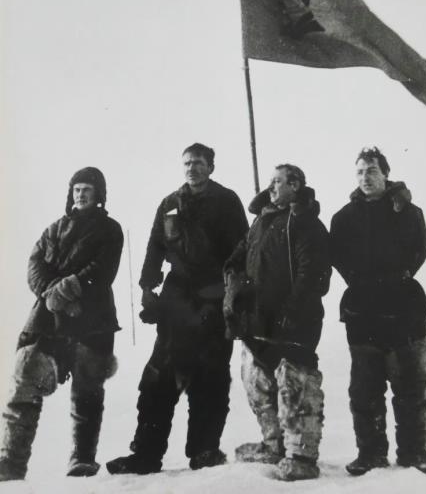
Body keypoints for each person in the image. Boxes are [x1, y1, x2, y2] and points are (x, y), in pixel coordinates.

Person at [107, 143, 248, 475]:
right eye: (187, 163)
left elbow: (242, 249)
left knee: (210, 378)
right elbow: (155, 246)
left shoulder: (226, 201)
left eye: (198, 163)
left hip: (213, 300)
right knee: (158, 378)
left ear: (210, 167)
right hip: (177, 302)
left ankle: (204, 451)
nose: (192, 168)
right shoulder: (170, 203)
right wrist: (147, 287)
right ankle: (146, 453)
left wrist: (234, 297)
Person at [0, 167, 124, 481]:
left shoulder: (110, 229)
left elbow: (103, 269)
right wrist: (53, 294)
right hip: (47, 319)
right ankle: (10, 462)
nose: (81, 195)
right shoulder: (54, 229)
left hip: (92, 318)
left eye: (87, 189)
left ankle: (82, 458)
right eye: (77, 189)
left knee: (87, 389)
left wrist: (66, 290)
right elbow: (34, 265)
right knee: (25, 379)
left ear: (99, 194)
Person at [330, 147, 426, 476]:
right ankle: (370, 453)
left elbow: (420, 248)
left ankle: (414, 451)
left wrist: (397, 277)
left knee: (411, 385)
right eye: (360, 171)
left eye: (372, 170)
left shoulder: (409, 212)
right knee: (364, 389)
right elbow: (338, 256)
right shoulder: (343, 218)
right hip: (362, 310)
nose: (365, 177)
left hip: (404, 307)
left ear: (386, 174)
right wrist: (362, 282)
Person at [223, 164, 331, 481]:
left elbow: (312, 273)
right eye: (270, 181)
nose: (271, 187)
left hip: (294, 321)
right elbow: (240, 255)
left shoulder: (305, 222)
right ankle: (275, 444)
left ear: (295, 185)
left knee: (295, 384)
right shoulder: (260, 221)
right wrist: (233, 277)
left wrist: (293, 310)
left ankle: (301, 456)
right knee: (257, 382)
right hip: (259, 321)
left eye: (278, 182)